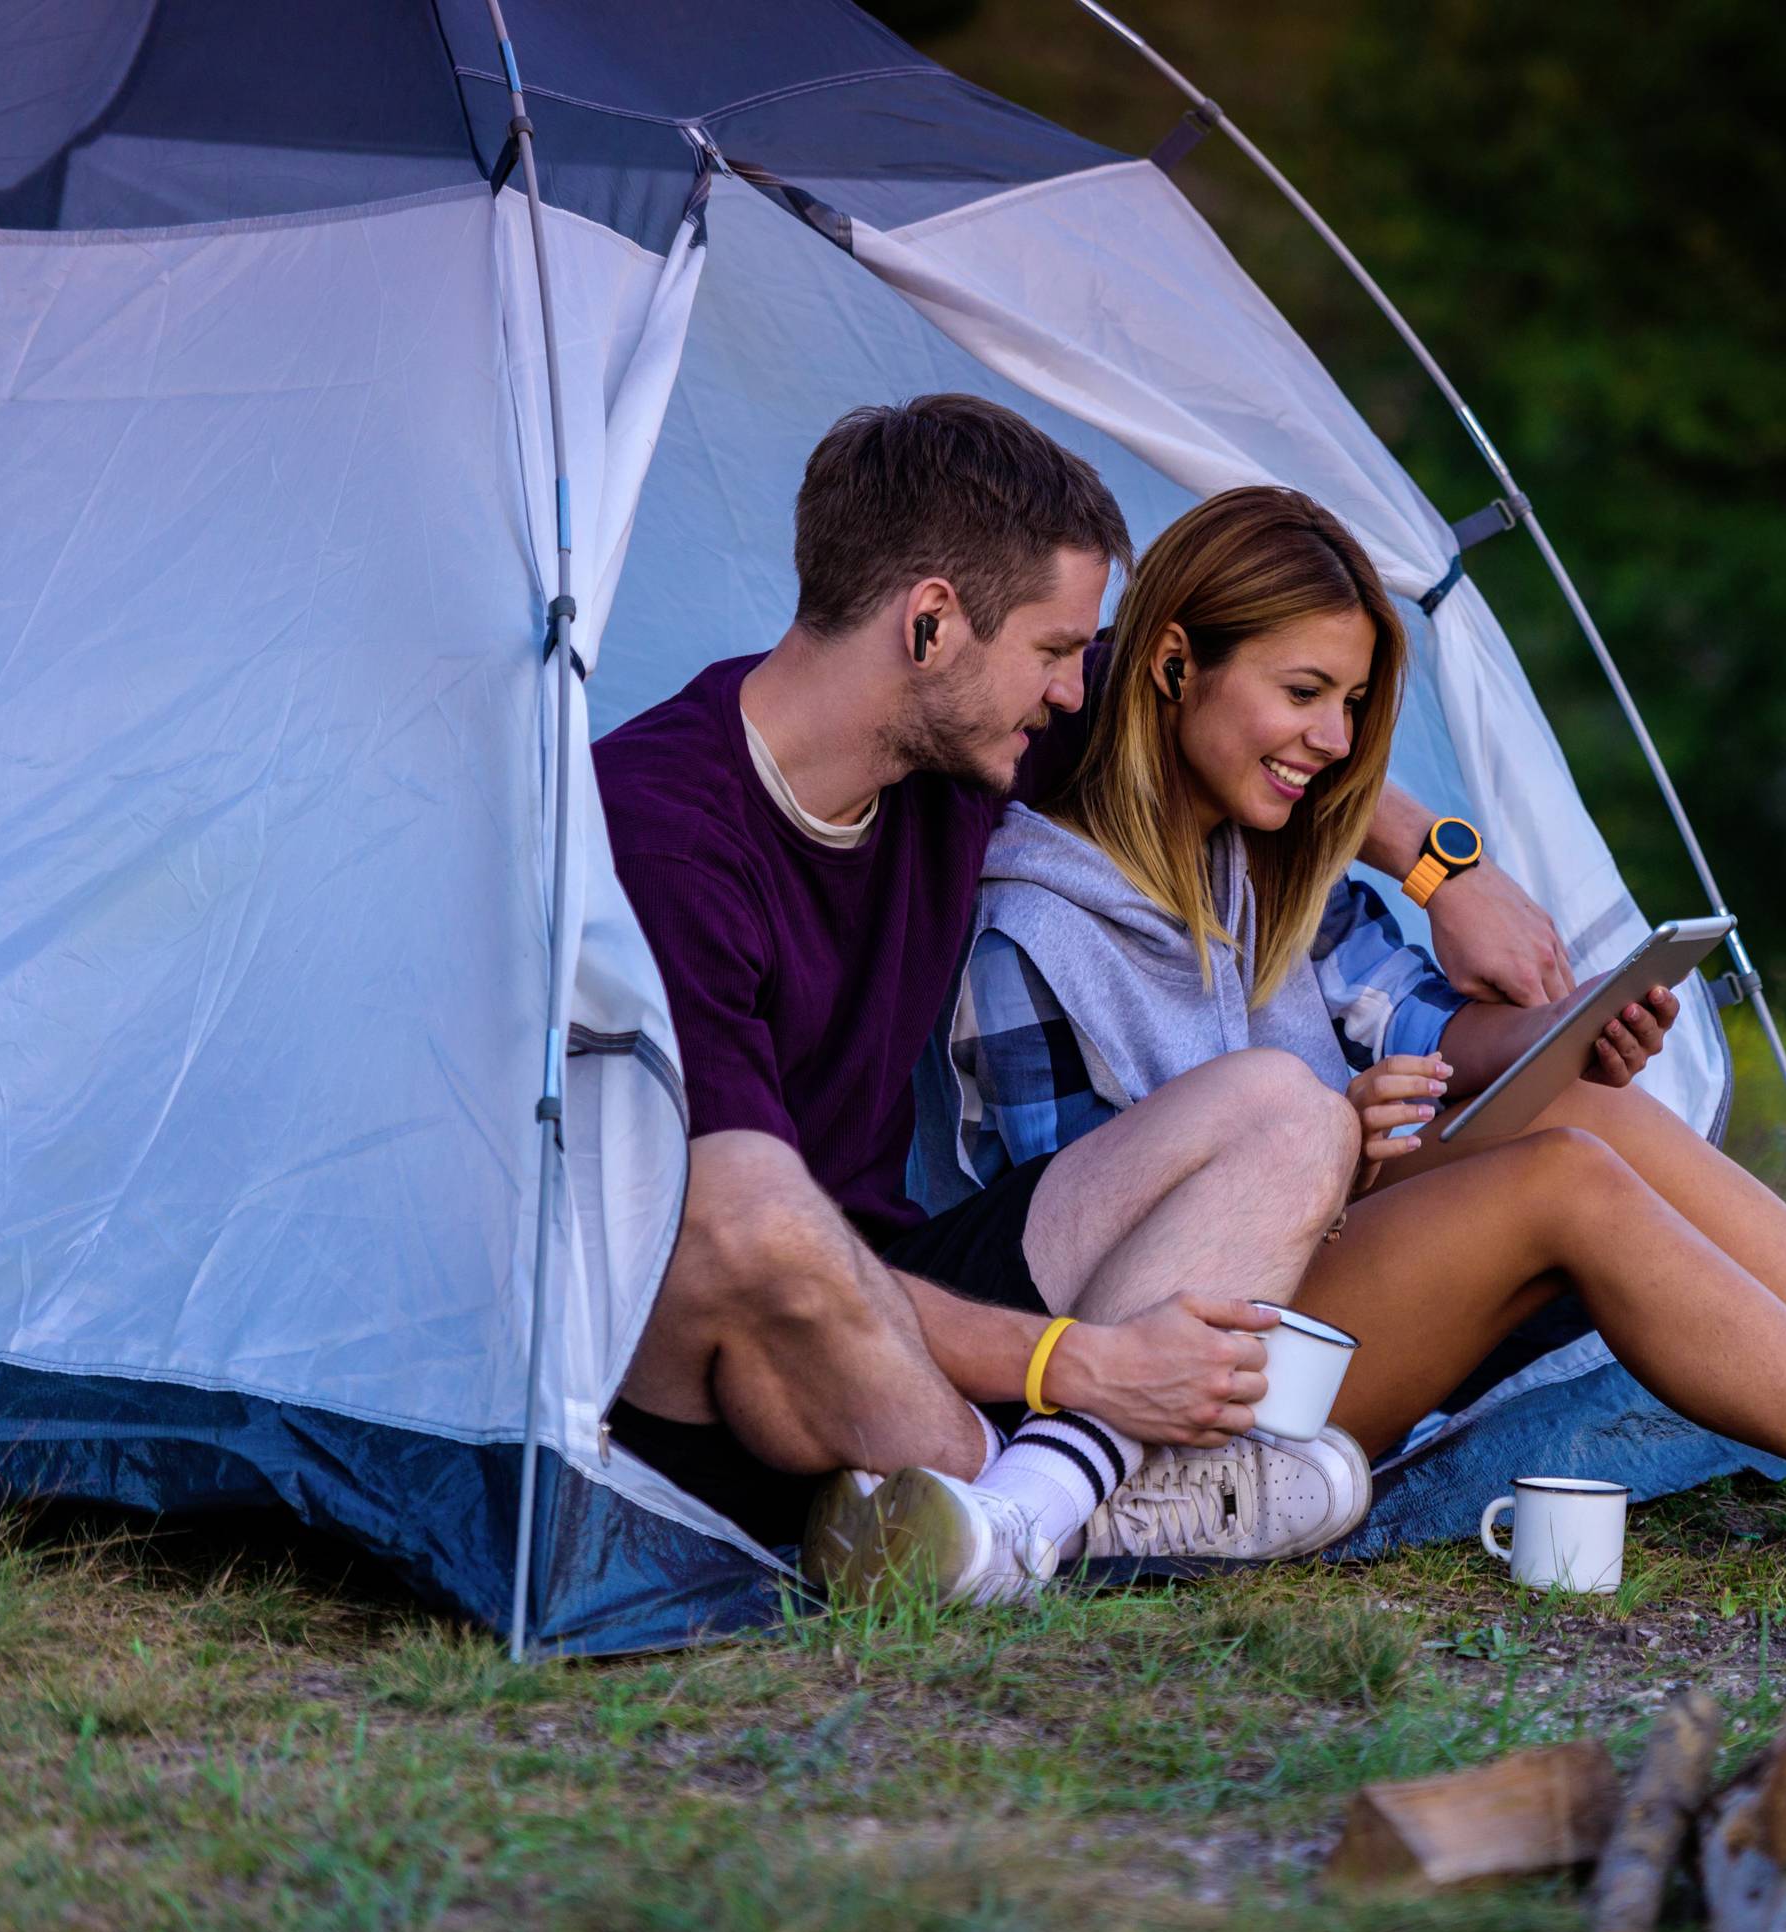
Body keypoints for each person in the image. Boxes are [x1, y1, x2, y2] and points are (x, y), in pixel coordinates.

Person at [939, 485, 1786, 1594]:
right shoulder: (1031, 933)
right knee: (1561, 1183)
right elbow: (1089, 1237)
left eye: (1353, 705)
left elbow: (1427, 1026)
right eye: (1305, 694)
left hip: (1320, 1280)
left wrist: (1571, 1030)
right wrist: (1336, 1153)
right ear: (1170, 667)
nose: (1332, 743)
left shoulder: (1269, 871)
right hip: (1180, 1386)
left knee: (1577, 1115)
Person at [594, 396, 1585, 1604]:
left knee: (1288, 1104)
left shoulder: (953, 749)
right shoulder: (666, 829)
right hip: (739, 1347)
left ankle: (1020, 1515)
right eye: (1057, 652)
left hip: (914, 1289)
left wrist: (1442, 866)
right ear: (931, 625)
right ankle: (1035, 1496)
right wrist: (1088, 1365)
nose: (1074, 694)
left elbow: (1220, 704)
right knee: (756, 1205)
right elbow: (734, 1244)